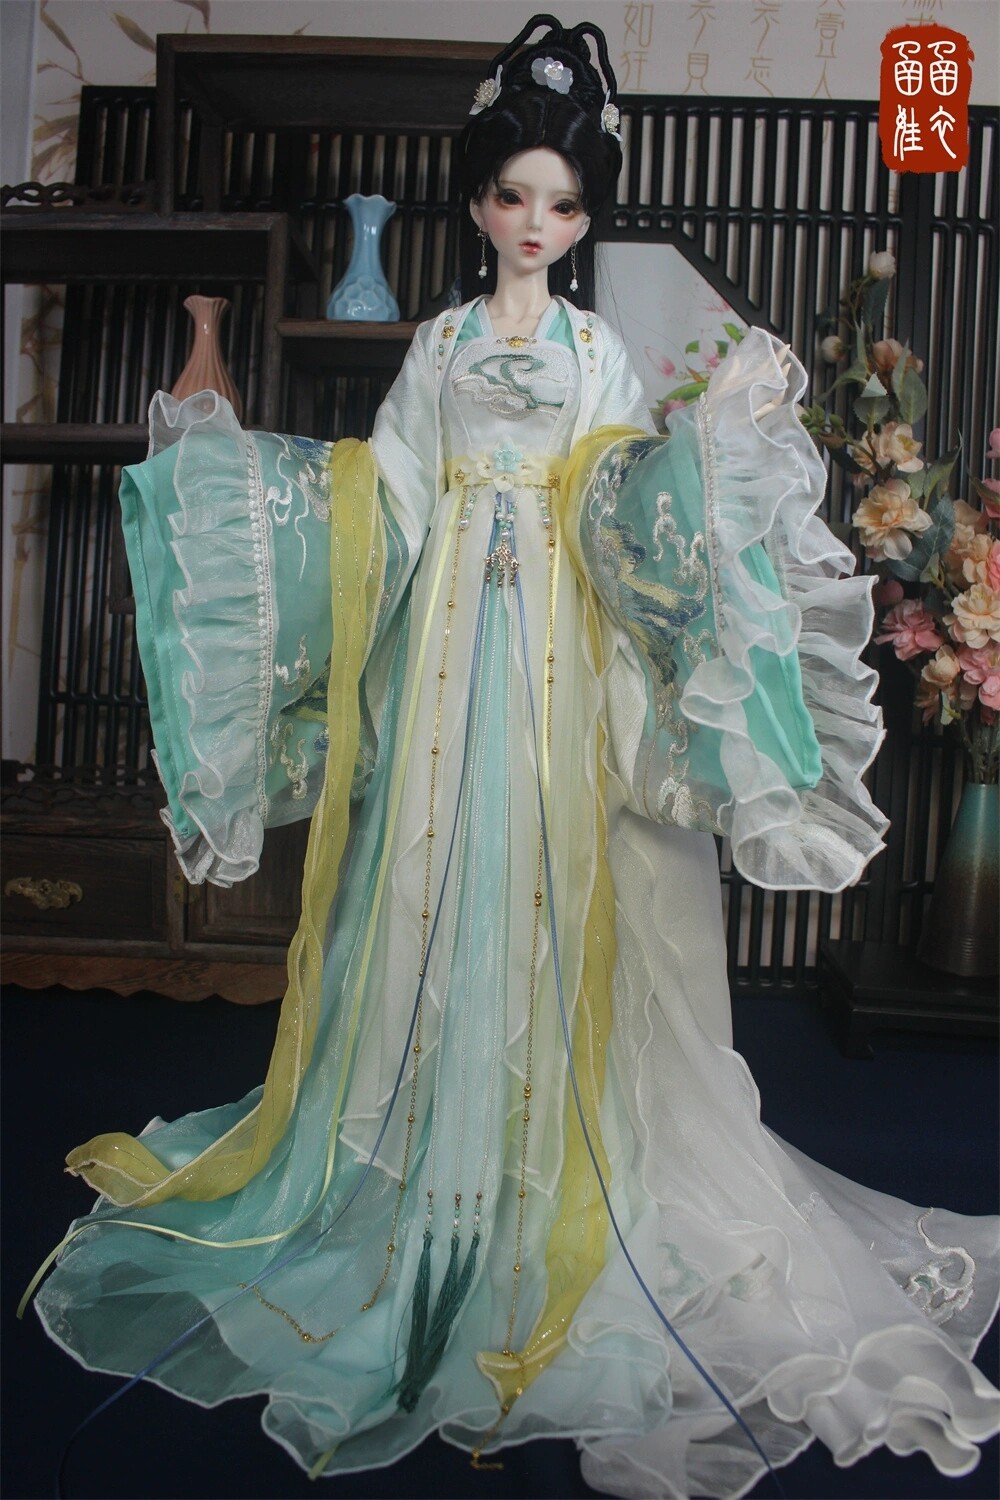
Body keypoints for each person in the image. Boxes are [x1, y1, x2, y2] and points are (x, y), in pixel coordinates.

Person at [31, 16, 999, 1499]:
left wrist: (706, 449)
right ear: (479, 203)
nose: (534, 223)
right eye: (512, 197)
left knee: (555, 877)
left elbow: (619, 495)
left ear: (582, 216)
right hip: (445, 660)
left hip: (558, 656)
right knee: (430, 872)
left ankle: (551, 1139)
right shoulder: (440, 343)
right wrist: (258, 491)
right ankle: (424, 1139)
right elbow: (387, 493)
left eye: (560, 203)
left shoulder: (597, 349)